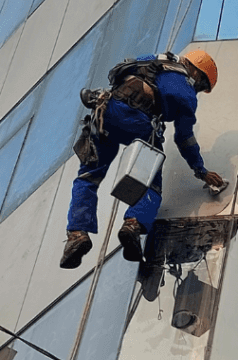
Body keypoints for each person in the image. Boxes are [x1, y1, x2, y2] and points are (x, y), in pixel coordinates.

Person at [60, 49, 226, 269]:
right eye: (201, 84)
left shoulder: (152, 60)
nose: (198, 90)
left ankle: (77, 234)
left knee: (88, 178)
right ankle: (133, 224)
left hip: (106, 112)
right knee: (151, 183)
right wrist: (201, 171)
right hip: (140, 122)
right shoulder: (186, 93)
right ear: (195, 72)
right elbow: (185, 139)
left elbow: (117, 73)